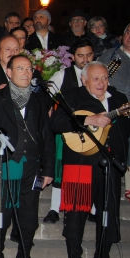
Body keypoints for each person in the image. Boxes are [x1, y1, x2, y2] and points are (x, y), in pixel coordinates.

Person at [0, 55, 54, 258]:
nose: (26, 73)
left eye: (29, 69)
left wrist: (49, 169)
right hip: (5, 166)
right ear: (8, 72)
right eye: (20, 68)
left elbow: (47, 137)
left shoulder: (39, 101)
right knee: (1, 216)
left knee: (29, 218)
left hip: (32, 168)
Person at [49, 62, 129, 258]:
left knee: (108, 214)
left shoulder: (119, 99)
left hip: (108, 166)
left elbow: (125, 133)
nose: (101, 83)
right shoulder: (72, 96)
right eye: (95, 78)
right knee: (75, 215)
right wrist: (87, 120)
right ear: (84, 80)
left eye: (104, 78)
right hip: (80, 164)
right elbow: (56, 122)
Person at [44, 38, 95, 224]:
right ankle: (54, 209)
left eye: (89, 54)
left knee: (90, 169)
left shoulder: (98, 74)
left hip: (92, 132)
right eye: (81, 55)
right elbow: (46, 97)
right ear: (73, 57)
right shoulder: (61, 75)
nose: (85, 59)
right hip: (66, 131)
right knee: (60, 169)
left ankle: (91, 208)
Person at [99, 22, 130, 204]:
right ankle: (106, 182)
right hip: (113, 107)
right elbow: (99, 80)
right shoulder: (111, 55)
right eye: (127, 32)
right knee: (111, 143)